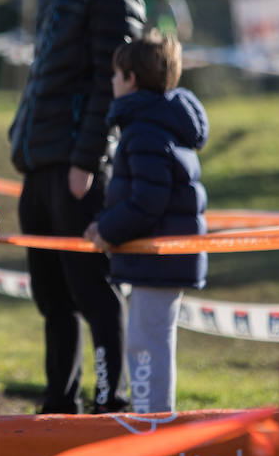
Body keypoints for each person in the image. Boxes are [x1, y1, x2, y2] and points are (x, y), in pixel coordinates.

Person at [10, 0, 145, 415]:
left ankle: (112, 398)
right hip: (39, 162)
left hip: (77, 167)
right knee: (51, 297)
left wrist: (86, 161)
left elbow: (110, 83)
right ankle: (58, 403)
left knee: (93, 292)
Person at [84, 30, 207, 415]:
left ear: (132, 79)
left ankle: (151, 426)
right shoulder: (157, 125)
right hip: (157, 258)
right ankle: (153, 420)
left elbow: (147, 201)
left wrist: (106, 230)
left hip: (157, 259)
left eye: (116, 75)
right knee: (152, 340)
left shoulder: (144, 131)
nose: (112, 82)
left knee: (145, 344)